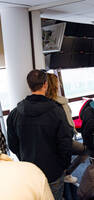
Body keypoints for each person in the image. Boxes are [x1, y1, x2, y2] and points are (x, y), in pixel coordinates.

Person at [7, 69, 73, 200]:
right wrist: (63, 166)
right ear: (45, 84)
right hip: (54, 172)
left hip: (30, 171)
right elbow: (65, 143)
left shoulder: (14, 114)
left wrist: (24, 158)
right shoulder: (57, 111)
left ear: (29, 85)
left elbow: (12, 145)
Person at [46, 73, 87, 183]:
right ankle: (66, 173)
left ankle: (65, 172)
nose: (59, 84)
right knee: (85, 151)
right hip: (63, 139)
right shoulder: (59, 103)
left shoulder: (53, 102)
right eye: (57, 83)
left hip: (55, 140)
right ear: (54, 85)